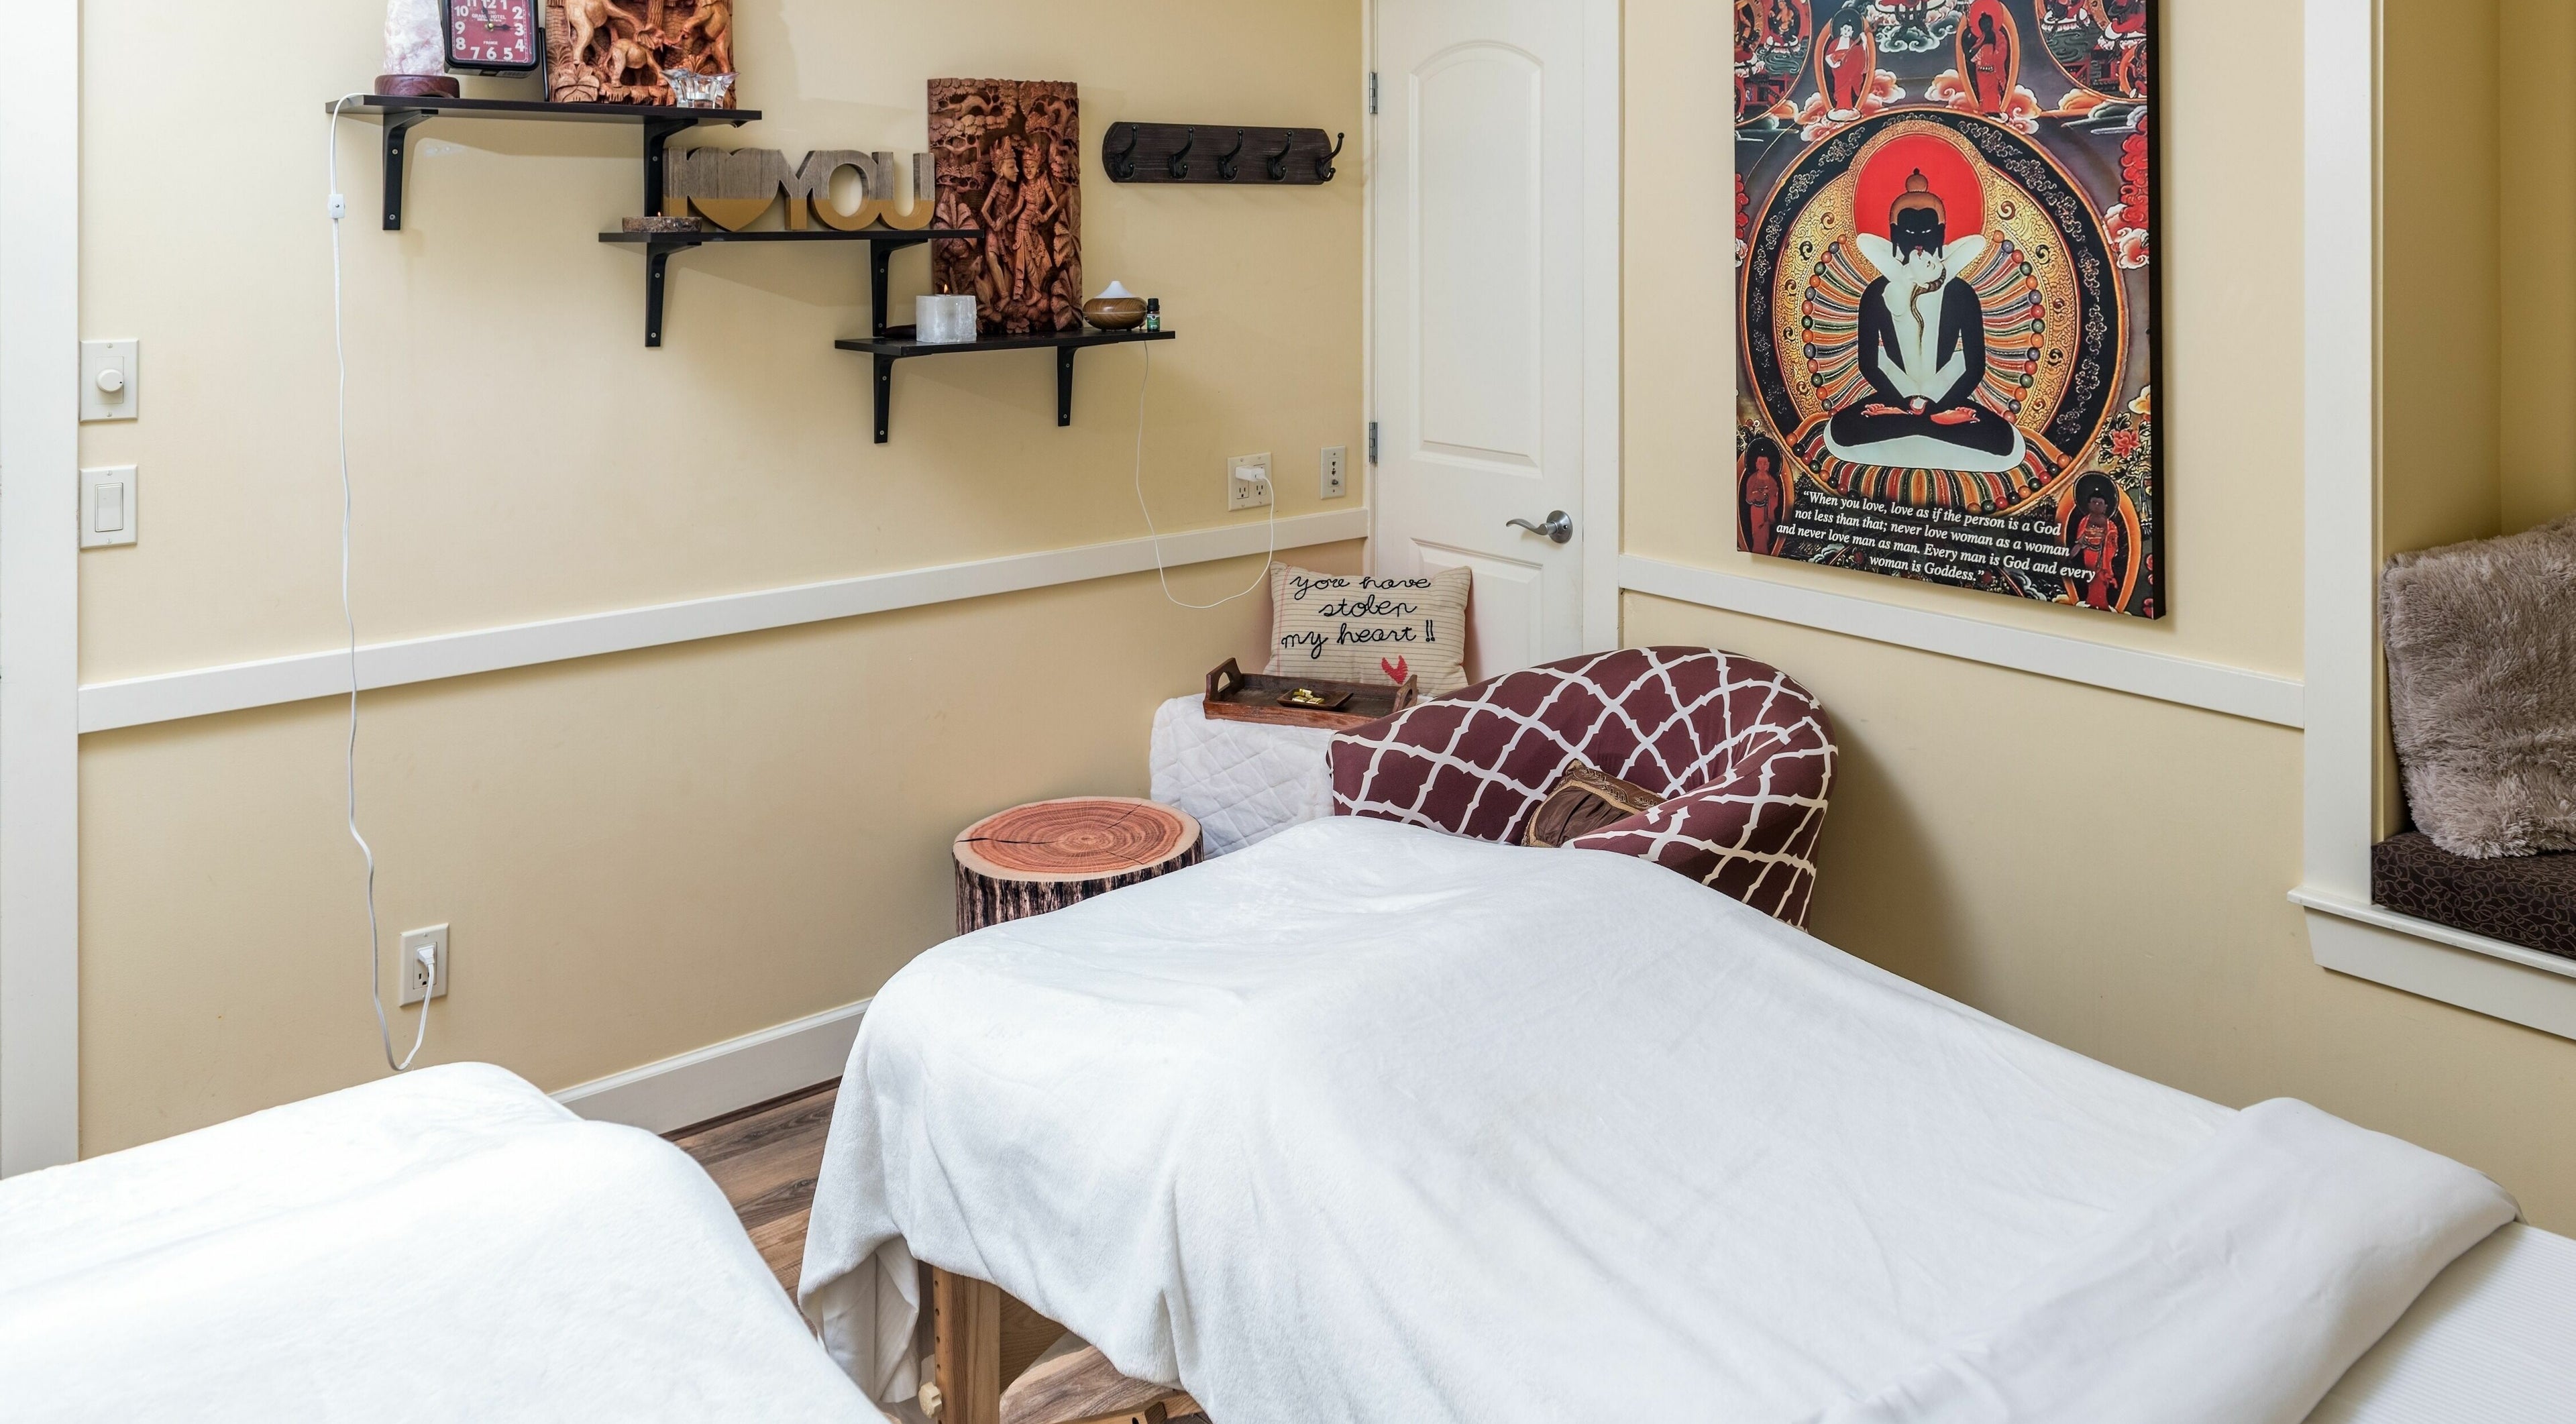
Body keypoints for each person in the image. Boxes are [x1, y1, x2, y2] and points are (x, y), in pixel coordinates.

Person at [1825, 170, 2024, 471]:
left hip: (1945, 400)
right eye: (1908, 229)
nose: (1918, 239)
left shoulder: (1961, 293)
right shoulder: (1877, 292)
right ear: (1893, 235)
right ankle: (1926, 428)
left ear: (1942, 233)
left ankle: (1922, 426)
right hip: (1894, 398)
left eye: (1927, 228)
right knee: (1844, 428)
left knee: (1999, 437)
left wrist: (1939, 406)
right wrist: (1902, 404)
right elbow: (1869, 364)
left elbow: (1974, 366)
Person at [2068, 490, 2123, 609]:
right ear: (2088, 505)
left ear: (2106, 506)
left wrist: (2106, 539)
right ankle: (2091, 601)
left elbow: (2113, 540)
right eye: (2094, 502)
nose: (2097, 505)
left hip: (2103, 554)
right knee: (2090, 577)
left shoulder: (2110, 524)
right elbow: (2080, 539)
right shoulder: (2085, 521)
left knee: (2102, 579)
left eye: (2100, 503)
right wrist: (2075, 551)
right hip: (2089, 553)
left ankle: (2102, 602)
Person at [1740, 446, 1787, 556]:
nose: (1763, 465)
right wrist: (1758, 493)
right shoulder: (1752, 479)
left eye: (1765, 463)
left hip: (1767, 510)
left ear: (1769, 465)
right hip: (1756, 510)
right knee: (1757, 534)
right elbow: (1748, 497)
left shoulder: (1771, 480)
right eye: (1760, 463)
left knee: (1765, 535)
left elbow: (1775, 493)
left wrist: (1768, 493)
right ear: (1756, 464)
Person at [1821, 19, 1871, 118]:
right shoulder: (1835, 43)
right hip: (1838, 70)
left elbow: (1858, 54)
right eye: (1845, 29)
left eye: (1849, 30)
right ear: (1841, 30)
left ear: (1852, 33)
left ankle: (1847, 107)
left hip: (1848, 70)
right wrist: (1833, 65)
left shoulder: (1852, 43)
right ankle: (1839, 108)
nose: (1846, 32)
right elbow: (1828, 56)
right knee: (1839, 88)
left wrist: (1864, 44)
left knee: (1847, 88)